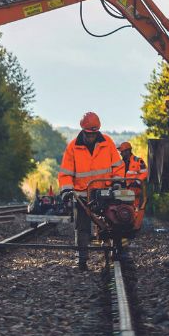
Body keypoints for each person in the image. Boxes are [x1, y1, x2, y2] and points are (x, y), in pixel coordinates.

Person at [58, 112, 122, 269]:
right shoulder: (73, 147)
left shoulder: (108, 143)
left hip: (105, 192)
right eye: (89, 134)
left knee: (114, 221)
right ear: (83, 131)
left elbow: (118, 166)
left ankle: (116, 252)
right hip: (82, 195)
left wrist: (117, 182)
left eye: (94, 133)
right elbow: (65, 173)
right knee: (82, 227)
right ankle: (82, 259)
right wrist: (66, 190)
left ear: (97, 130)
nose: (91, 137)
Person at [117, 141, 148, 231]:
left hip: (134, 190)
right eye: (120, 152)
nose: (121, 154)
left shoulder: (138, 161)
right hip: (122, 189)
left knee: (134, 208)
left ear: (128, 151)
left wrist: (137, 182)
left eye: (122, 152)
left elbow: (145, 173)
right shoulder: (120, 163)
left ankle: (133, 226)